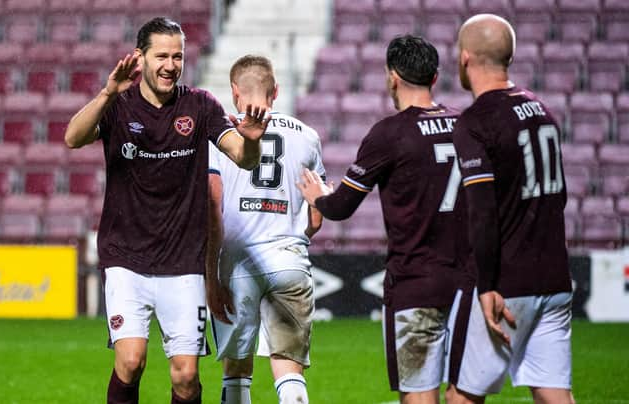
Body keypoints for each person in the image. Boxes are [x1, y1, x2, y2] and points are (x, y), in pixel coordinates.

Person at [63, 17, 270, 404]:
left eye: (178, 56)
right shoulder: (118, 104)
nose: (171, 65)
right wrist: (107, 92)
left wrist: (253, 141)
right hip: (126, 258)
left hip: (182, 262)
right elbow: (73, 138)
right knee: (131, 361)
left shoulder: (200, 105)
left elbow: (242, 158)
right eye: (162, 55)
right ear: (140, 58)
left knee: (187, 377)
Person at [297, 35, 471, 404]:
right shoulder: (466, 126)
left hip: (415, 283)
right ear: (435, 77)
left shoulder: (389, 134)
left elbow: (342, 207)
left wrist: (318, 198)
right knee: (464, 392)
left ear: (392, 76)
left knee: (420, 394)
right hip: (467, 283)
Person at [445, 14, 574, 404]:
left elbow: (482, 211)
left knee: (461, 396)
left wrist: (486, 284)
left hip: (506, 284)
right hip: (554, 281)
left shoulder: (476, 121)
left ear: (465, 58)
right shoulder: (542, 110)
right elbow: (560, 196)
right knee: (555, 394)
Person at [206, 55, 325, 404]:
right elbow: (316, 217)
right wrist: (292, 238)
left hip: (236, 264)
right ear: (276, 91)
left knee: (236, 371)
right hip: (288, 260)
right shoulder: (308, 136)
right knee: (288, 369)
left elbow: (213, 210)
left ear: (234, 92)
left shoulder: (220, 136)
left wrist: (210, 277)